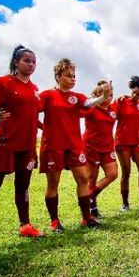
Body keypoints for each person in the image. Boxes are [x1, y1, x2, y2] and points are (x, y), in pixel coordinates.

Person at [0, 45, 43, 256]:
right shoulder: (3, 83)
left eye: (33, 61)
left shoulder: (34, 88)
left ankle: (25, 226)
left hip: (27, 145)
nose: (31, 64)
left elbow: (31, 114)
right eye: (26, 61)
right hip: (5, 142)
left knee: (23, 186)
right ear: (16, 62)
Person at [39, 58, 111, 232]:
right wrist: (42, 128)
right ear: (58, 76)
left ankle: (87, 218)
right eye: (68, 75)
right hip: (53, 145)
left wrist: (103, 97)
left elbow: (88, 103)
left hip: (74, 145)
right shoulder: (48, 95)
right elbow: (30, 111)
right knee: (53, 184)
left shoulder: (76, 96)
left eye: (74, 76)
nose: (72, 79)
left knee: (83, 179)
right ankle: (54, 221)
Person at [115, 76, 139, 214]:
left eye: (138, 94)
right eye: (133, 92)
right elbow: (109, 113)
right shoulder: (121, 101)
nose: (134, 95)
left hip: (138, 142)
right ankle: (125, 204)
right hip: (123, 142)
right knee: (126, 172)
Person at [82, 80, 118, 219]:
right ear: (97, 95)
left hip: (108, 147)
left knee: (113, 174)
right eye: (105, 95)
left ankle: (89, 197)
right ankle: (92, 209)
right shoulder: (91, 109)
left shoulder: (113, 110)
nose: (109, 98)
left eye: (111, 95)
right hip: (92, 147)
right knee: (92, 179)